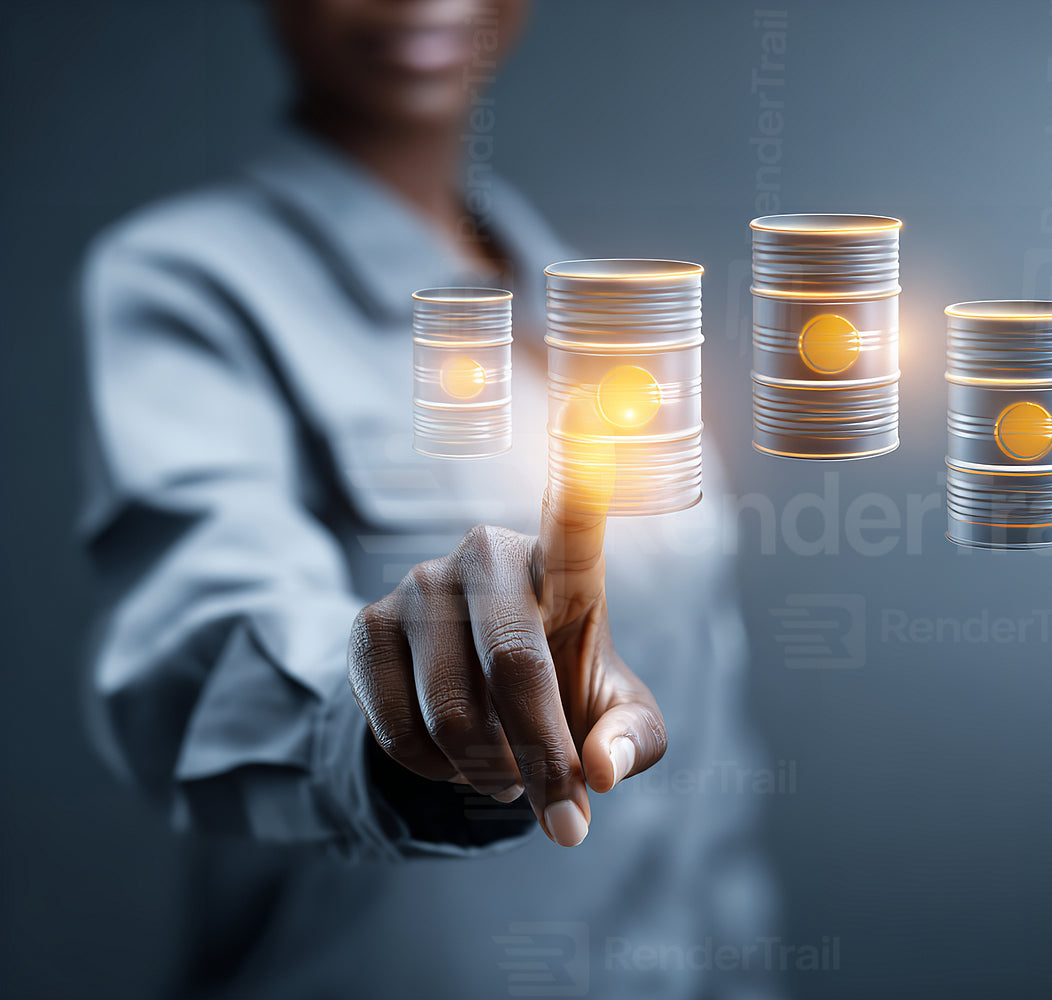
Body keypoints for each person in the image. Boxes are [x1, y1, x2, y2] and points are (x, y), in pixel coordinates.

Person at [79, 1, 776, 996]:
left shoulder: (591, 303)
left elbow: (709, 779)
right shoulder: (192, 281)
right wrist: (398, 712)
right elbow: (193, 646)